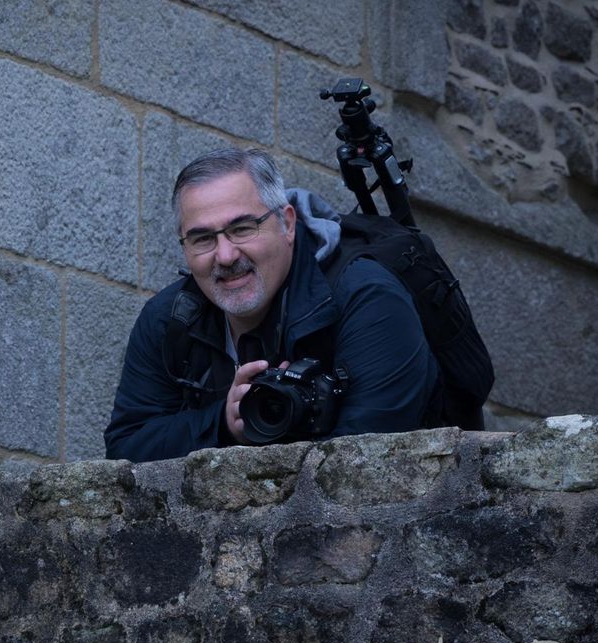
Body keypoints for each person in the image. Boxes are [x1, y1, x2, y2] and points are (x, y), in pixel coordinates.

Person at [104, 148, 441, 463]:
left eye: (242, 228)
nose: (225, 256)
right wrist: (224, 422)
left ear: (288, 223)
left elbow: (364, 467)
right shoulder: (170, 318)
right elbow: (125, 449)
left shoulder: (368, 300)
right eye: (203, 238)